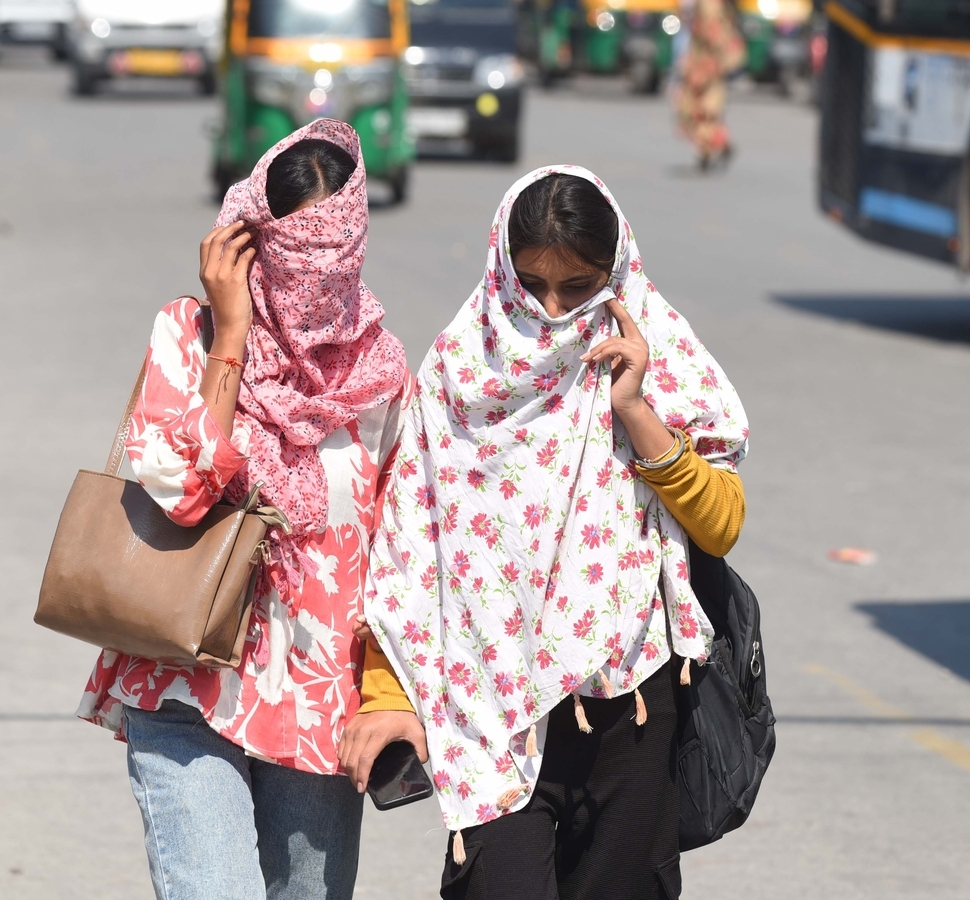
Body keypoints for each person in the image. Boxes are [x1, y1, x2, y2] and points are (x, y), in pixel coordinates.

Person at [350, 167, 749, 899]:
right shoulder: (458, 372)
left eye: (580, 287)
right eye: (532, 285)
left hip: (630, 706)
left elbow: (720, 525)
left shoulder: (654, 354)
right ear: (502, 269)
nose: (555, 310)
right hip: (490, 712)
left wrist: (636, 411)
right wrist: (385, 695)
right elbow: (410, 552)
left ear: (617, 270)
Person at [74, 119, 422, 900]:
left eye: (330, 265)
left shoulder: (382, 381)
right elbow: (183, 487)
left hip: (321, 708)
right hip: (184, 679)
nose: (309, 287)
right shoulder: (187, 334)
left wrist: (390, 699)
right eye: (292, 259)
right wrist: (231, 332)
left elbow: (405, 559)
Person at [673, 0, 745, 170]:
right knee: (693, 109)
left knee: (705, 111)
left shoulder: (709, 6)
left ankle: (712, 148)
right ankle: (710, 149)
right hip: (701, 62)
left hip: (709, 65)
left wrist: (714, 64)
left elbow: (715, 34)